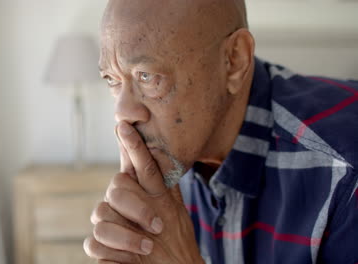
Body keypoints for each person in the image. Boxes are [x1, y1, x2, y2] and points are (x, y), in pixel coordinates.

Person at [83, 0, 358, 263]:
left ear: (234, 60)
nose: (122, 113)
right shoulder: (171, 156)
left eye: (147, 76)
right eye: (112, 79)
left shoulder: (344, 170)